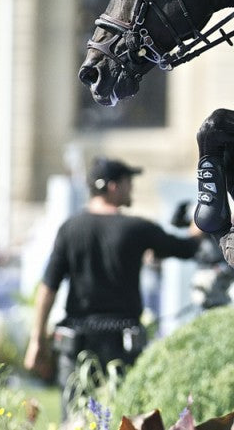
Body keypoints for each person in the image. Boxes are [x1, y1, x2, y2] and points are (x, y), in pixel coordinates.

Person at [23, 157, 202, 416]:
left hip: (77, 341)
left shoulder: (70, 229)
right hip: (123, 341)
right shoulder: (136, 229)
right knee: (126, 417)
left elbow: (47, 288)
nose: (133, 189)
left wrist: (36, 340)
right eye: (129, 182)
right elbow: (186, 248)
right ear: (113, 187)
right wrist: (201, 223)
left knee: (74, 418)